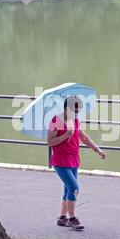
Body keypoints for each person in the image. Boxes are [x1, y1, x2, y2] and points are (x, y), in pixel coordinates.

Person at [47, 95, 106, 230]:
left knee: (68, 188)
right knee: (74, 188)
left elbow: (83, 137)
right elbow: (50, 142)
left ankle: (62, 218)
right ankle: (72, 219)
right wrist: (65, 135)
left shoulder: (75, 120)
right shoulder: (56, 121)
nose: (77, 113)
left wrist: (97, 149)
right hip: (61, 160)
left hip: (74, 159)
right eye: (76, 110)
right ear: (68, 108)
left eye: (78, 110)